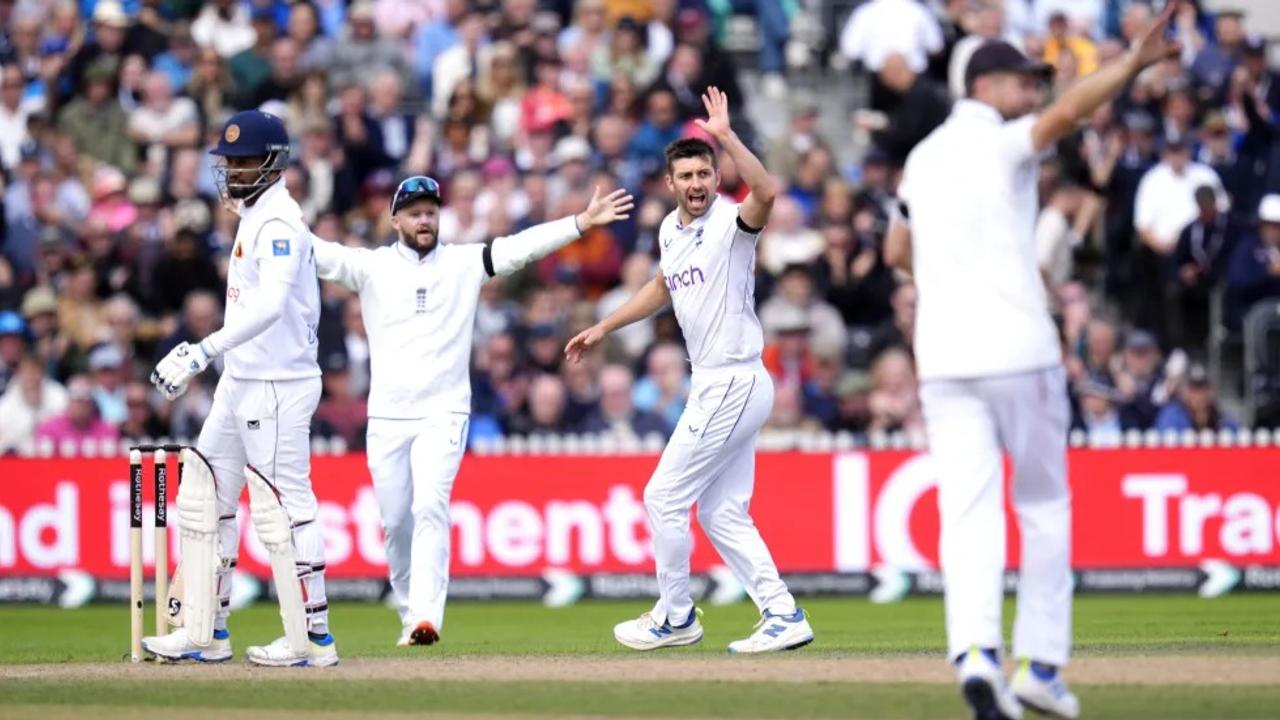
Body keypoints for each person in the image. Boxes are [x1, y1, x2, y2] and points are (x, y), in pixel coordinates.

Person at [883, 4, 1180, 718]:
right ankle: (1040, 667)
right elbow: (1069, 115)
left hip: (944, 359)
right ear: (983, 88)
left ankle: (977, 654)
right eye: (1024, 82)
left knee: (969, 514)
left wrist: (948, 280)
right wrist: (1131, 65)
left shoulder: (921, 159)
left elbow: (897, 253)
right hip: (1018, 350)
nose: (1036, 91)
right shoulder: (1002, 140)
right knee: (1044, 508)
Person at [310, 175, 632, 646]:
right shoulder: (370, 267)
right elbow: (316, 251)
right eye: (415, 212)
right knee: (396, 521)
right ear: (395, 219)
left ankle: (426, 617)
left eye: (431, 212)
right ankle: (408, 611)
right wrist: (259, 216)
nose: (425, 220)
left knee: (430, 506)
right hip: (387, 417)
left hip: (445, 412)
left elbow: (521, 248)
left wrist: (580, 223)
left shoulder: (464, 262)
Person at [566, 87, 814, 654]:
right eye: (687, 176)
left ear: (715, 176)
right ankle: (782, 612)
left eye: (705, 173)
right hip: (718, 382)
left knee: (663, 498)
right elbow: (660, 287)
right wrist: (607, 326)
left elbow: (768, 192)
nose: (698, 184)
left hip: (733, 378)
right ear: (670, 183)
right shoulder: (670, 232)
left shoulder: (731, 224)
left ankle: (676, 617)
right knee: (721, 510)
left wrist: (725, 135)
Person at [141, 110, 337, 668]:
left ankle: (312, 639)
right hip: (243, 379)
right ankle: (207, 629)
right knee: (206, 499)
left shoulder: (278, 223)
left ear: (273, 164)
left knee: (285, 507)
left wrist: (202, 350)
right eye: (227, 162)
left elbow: (272, 305)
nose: (231, 171)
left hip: (277, 383)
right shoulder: (253, 216)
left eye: (243, 161)